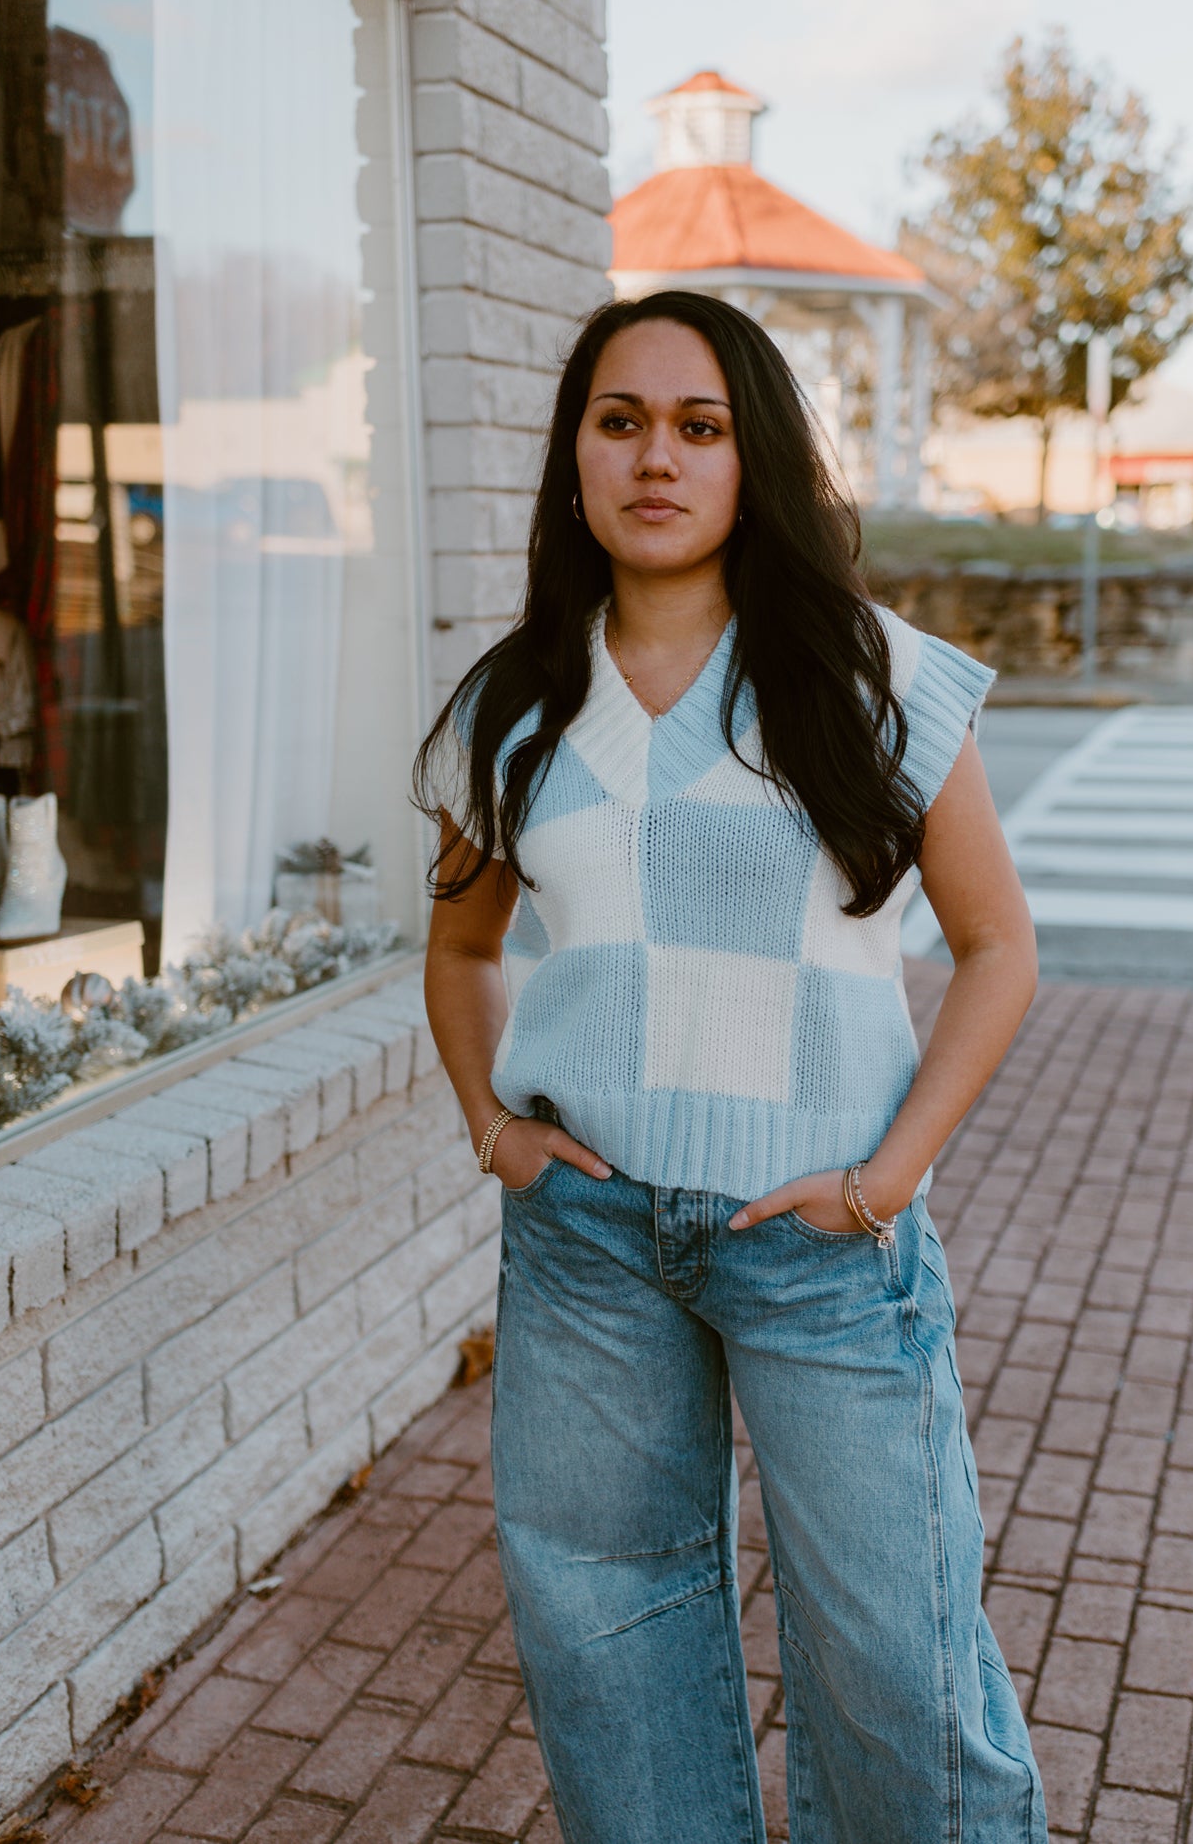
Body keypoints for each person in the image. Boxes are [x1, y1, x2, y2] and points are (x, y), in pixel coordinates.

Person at [414, 290, 1047, 1844]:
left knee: (897, 1657)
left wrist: (884, 1178)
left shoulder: (870, 675)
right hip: (588, 1243)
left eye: (698, 426)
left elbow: (996, 949)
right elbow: (457, 947)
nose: (656, 457)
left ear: (751, 457)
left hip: (822, 1237)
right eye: (618, 421)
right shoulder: (513, 704)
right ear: (574, 456)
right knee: (604, 1638)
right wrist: (491, 1128)